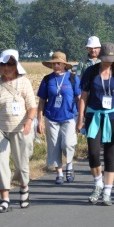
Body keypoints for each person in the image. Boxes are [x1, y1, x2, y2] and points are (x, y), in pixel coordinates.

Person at [77, 42, 114, 206]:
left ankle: (107, 191)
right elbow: (83, 96)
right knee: (93, 152)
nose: (109, 62)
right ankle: (98, 183)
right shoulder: (91, 72)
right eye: (106, 59)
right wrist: (80, 118)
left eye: (111, 59)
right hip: (94, 115)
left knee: (109, 154)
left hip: (113, 116)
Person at [0, 49, 36, 213]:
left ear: (16, 66)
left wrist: (28, 122)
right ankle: (5, 199)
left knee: (21, 164)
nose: (6, 67)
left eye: (10, 64)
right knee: (0, 163)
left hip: (20, 128)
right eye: (4, 64)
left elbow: (32, 107)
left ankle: (24, 189)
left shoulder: (24, 82)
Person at [37, 51, 81, 185]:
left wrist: (81, 118)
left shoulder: (73, 78)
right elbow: (42, 101)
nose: (55, 66)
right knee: (54, 145)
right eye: (53, 63)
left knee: (68, 143)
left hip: (69, 116)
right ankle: (59, 173)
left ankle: (69, 166)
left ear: (64, 65)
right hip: (51, 117)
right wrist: (39, 120)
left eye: (58, 63)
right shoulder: (47, 80)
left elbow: (79, 99)